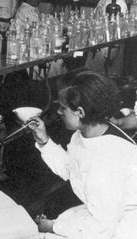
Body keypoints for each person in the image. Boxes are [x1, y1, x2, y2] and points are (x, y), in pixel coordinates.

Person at [29, 71, 137, 239]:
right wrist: (44, 141)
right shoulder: (86, 134)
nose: (58, 112)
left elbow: (102, 229)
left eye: (63, 107)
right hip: (102, 214)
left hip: (122, 228)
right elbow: (73, 171)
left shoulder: (107, 159)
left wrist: (53, 227)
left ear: (80, 112)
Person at [87, 0, 127, 76]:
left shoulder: (119, 4)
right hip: (97, 46)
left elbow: (118, 31)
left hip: (108, 51)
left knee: (103, 80)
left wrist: (111, 56)